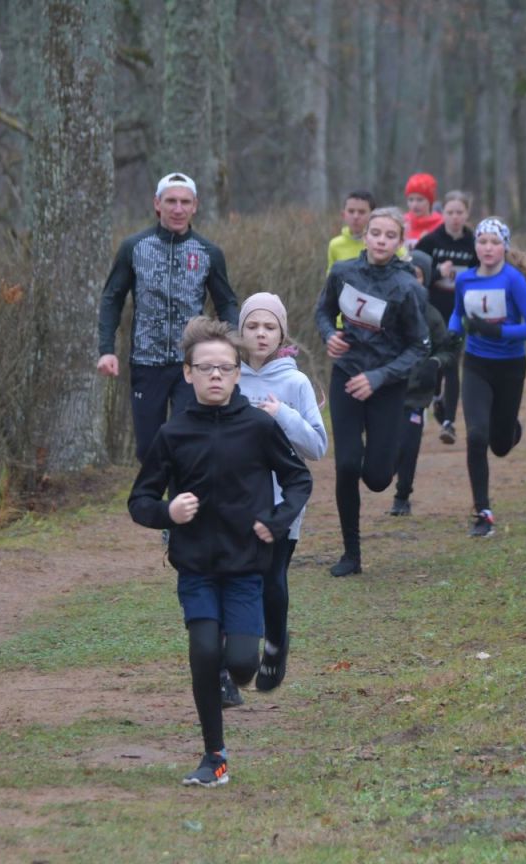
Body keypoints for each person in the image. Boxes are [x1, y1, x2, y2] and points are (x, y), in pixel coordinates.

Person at [128, 317, 312, 788]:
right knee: (205, 651)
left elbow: (298, 479)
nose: (215, 376)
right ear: (187, 373)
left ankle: (248, 664)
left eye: (225, 369)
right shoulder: (172, 434)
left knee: (244, 664)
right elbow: (140, 501)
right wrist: (169, 511)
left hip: (247, 566)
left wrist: (275, 520)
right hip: (196, 568)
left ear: (236, 374)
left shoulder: (257, 426)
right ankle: (215, 756)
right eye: (205, 368)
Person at [315, 207, 430, 576]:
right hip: (346, 377)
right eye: (375, 233)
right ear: (364, 236)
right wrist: (329, 336)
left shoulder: (407, 286)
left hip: (386, 386)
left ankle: (399, 440)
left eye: (389, 236)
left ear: (400, 243)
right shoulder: (343, 272)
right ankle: (351, 554)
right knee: (347, 464)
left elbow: (420, 346)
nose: (381, 240)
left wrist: (379, 377)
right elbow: (322, 312)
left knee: (378, 479)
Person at [97, 172, 239, 461]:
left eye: (185, 202)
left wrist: (232, 349)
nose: (178, 209)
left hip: (191, 364)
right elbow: (112, 298)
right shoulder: (134, 248)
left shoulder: (208, 252)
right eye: (171, 201)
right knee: (148, 450)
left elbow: (227, 303)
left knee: (187, 445)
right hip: (146, 363)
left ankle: (182, 504)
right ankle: (152, 506)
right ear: (157, 204)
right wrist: (106, 350)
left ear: (195, 206)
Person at [236, 293, 327, 691]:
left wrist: (284, 415)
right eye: (252, 326)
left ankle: (275, 644)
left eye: (269, 327)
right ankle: (232, 661)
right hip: (235, 497)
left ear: (281, 333)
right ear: (240, 332)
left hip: (281, 501)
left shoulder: (295, 382)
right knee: (237, 578)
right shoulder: (227, 375)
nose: (260, 334)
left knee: (272, 577)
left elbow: (317, 448)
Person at [450, 218, 526, 537]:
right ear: (475, 246)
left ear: (504, 246)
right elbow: (457, 314)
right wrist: (451, 336)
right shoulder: (465, 280)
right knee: (476, 436)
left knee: (500, 445)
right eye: (482, 242)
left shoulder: (513, 280)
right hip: (476, 365)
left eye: (494, 242)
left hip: (510, 367)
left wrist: (497, 330)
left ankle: (510, 428)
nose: (488, 248)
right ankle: (483, 512)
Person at [389, 298, 462, 517]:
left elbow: (448, 351)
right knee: (389, 452)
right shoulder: (389, 310)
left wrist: (434, 363)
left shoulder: (431, 316)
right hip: (388, 390)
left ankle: (402, 496)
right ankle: (386, 471)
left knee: (409, 446)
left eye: (419, 275)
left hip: (417, 394)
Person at [415, 190, 477, 445]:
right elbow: (412, 273)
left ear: (466, 214)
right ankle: (437, 400)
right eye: (450, 212)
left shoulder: (473, 242)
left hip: (459, 313)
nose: (454, 217)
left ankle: (449, 422)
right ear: (443, 214)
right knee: (434, 365)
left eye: (459, 212)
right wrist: (437, 271)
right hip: (431, 313)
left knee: (452, 363)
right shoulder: (430, 241)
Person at [326, 190, 376, 273]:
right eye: (351, 211)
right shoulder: (335, 245)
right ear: (343, 215)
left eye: (361, 212)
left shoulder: (385, 243)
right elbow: (331, 280)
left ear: (373, 215)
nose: (355, 216)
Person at [402, 172, 443, 249]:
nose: (414, 205)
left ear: (430, 201)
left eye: (420, 200)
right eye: (411, 200)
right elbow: (397, 255)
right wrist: (401, 245)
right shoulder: (401, 222)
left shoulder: (441, 225)